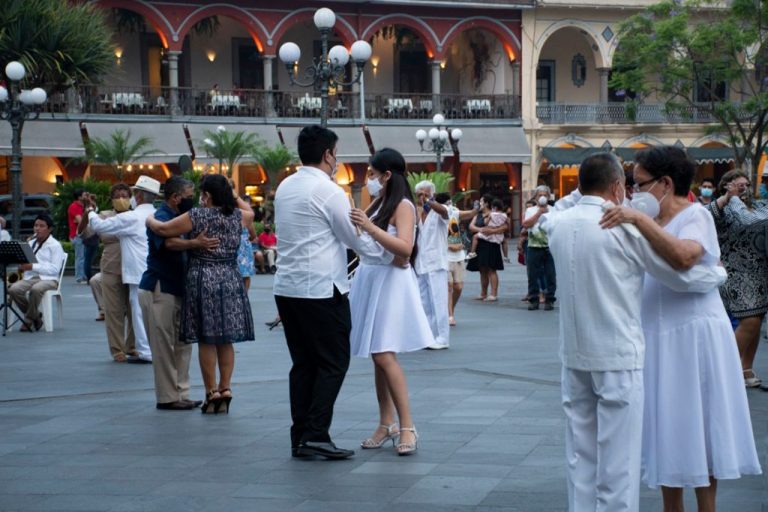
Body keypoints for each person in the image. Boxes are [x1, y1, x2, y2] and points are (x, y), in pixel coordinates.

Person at [543, 152, 728, 512]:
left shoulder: (559, 224)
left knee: (580, 453)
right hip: (617, 353)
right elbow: (678, 276)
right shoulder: (622, 226)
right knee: (619, 459)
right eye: (628, 186)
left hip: (574, 353)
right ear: (616, 187)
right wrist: (717, 273)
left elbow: (555, 212)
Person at [600, 146, 762, 511]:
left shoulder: (695, 215)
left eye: (639, 184)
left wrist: (637, 220)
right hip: (658, 335)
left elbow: (685, 256)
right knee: (666, 426)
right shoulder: (648, 221)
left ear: (665, 184)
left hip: (694, 335)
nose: (633, 192)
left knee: (702, 423)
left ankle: (707, 506)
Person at [273, 125, 393, 460]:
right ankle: (315, 434)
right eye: (336, 153)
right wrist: (387, 252)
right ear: (327, 154)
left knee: (303, 364)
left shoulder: (285, 186)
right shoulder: (329, 191)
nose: (336, 160)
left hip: (287, 287)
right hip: (321, 288)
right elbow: (353, 237)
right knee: (333, 361)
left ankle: (301, 435)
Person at [349, 148, 433, 455]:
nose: (369, 179)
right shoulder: (381, 202)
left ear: (386, 175)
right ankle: (386, 422)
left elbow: (405, 248)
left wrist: (369, 226)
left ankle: (407, 425)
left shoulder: (403, 205)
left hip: (390, 283)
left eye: (372, 174)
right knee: (377, 353)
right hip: (373, 277)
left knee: (384, 353)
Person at [147, 174, 254, 415]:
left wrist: (149, 219)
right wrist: (232, 194)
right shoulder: (239, 216)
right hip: (230, 277)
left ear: (207, 195)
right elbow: (251, 213)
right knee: (225, 338)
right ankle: (226, 387)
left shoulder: (198, 215)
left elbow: (163, 230)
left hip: (203, 277)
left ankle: (211, 391)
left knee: (207, 338)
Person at [140, 176, 219, 411]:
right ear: (175, 197)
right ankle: (167, 397)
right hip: (160, 287)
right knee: (164, 345)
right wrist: (195, 243)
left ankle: (182, 392)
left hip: (180, 288)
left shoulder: (182, 217)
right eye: (188, 196)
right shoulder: (161, 216)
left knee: (183, 342)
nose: (191, 200)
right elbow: (168, 243)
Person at [706, 170, 768, 388]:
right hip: (735, 271)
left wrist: (736, 199)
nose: (745, 190)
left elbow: (755, 219)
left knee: (756, 318)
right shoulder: (720, 208)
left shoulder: (759, 207)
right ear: (726, 185)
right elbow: (707, 216)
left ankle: (745, 368)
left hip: (760, 271)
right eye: (739, 185)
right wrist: (728, 199)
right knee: (750, 320)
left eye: (747, 185)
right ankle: (723, 370)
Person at [87, 176, 159, 364]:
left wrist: (91, 212)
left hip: (136, 273)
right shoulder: (158, 215)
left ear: (139, 196)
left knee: (137, 311)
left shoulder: (131, 217)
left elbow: (98, 226)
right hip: (154, 270)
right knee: (149, 311)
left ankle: (144, 351)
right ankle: (145, 348)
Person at [79, 184, 135, 362]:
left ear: (130, 198)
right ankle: (117, 349)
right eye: (117, 196)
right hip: (111, 265)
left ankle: (132, 345)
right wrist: (87, 211)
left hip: (133, 266)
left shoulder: (136, 215)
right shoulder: (104, 216)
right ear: (111, 199)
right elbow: (84, 234)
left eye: (124, 195)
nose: (121, 199)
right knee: (113, 310)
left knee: (134, 309)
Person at [9, 214, 65, 332]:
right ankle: (36, 316)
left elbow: (55, 269)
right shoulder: (31, 243)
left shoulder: (55, 245)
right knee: (13, 289)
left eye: (41, 226)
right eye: (36, 225)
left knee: (36, 289)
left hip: (49, 279)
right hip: (31, 277)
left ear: (49, 229)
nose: (37, 229)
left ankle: (29, 320)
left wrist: (32, 266)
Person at [413, 180, 450, 350]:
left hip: (436, 263)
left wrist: (429, 201)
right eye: (419, 194)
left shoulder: (441, 210)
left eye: (425, 194)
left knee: (438, 301)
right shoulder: (418, 211)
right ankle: (428, 336)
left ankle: (442, 337)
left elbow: (445, 212)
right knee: (424, 303)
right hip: (421, 264)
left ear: (432, 194)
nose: (422, 197)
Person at [465, 195, 506, 301]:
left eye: (481, 202)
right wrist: (481, 230)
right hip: (480, 244)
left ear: (487, 203)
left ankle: (493, 294)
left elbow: (505, 226)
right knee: (482, 269)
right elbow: (471, 226)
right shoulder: (478, 214)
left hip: (491, 244)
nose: (480, 204)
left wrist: (493, 231)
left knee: (491, 269)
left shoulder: (495, 214)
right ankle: (483, 293)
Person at [444, 194, 477, 326]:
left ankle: (450, 310)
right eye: (447, 203)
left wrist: (477, 207)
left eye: (450, 203)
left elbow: (470, 214)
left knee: (458, 287)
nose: (449, 205)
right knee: (448, 287)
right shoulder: (435, 216)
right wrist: (449, 246)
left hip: (458, 255)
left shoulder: (454, 212)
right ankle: (449, 315)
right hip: (445, 255)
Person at [522, 186, 556, 310]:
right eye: (540, 195)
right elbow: (526, 224)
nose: (542, 197)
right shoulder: (530, 210)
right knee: (533, 275)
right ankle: (533, 299)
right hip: (533, 246)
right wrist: (539, 213)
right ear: (535, 197)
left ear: (548, 197)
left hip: (550, 247)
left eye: (545, 195)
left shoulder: (554, 210)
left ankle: (549, 299)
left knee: (550, 274)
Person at [67, 189, 88, 283]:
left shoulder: (83, 206)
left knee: (84, 256)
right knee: (80, 257)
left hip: (83, 234)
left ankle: (83, 276)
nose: (86, 196)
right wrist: (84, 219)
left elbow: (81, 220)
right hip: (77, 235)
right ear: (79, 197)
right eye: (84, 195)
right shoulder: (74, 206)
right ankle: (79, 277)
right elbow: (80, 221)